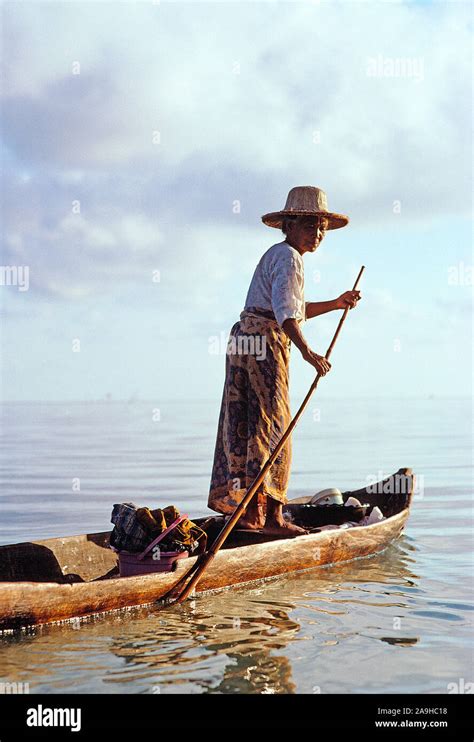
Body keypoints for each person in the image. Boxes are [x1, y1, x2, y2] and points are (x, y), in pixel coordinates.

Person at [208, 186, 361, 537]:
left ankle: (248, 514)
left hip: (246, 341)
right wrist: (310, 353)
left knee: (247, 426)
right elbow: (287, 316)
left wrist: (336, 303)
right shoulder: (289, 257)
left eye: (321, 226)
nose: (317, 234)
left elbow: (289, 308)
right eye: (309, 225)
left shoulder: (280, 255)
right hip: (263, 343)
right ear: (288, 225)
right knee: (275, 428)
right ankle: (272, 517)